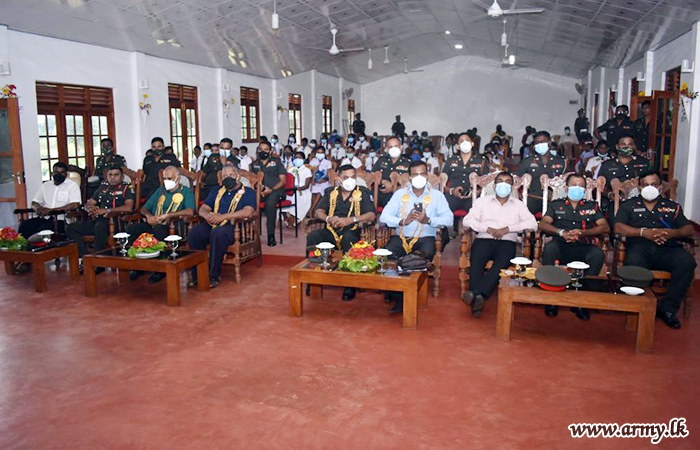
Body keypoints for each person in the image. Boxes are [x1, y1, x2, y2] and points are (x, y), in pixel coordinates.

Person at [614, 170, 696, 329]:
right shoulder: (629, 205)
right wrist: (644, 233)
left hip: (668, 247)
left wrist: (674, 233)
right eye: (645, 185)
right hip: (639, 247)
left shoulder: (672, 207)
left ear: (660, 187)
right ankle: (638, 305)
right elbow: (618, 227)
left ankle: (667, 309)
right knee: (634, 263)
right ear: (639, 187)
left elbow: (688, 229)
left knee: (687, 262)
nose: (649, 187)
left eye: (654, 184)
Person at [379, 160, 454, 313]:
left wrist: (429, 220)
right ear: (409, 177)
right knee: (387, 255)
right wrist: (403, 221)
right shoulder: (400, 194)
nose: (419, 177)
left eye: (422, 174)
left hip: (426, 239)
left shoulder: (437, 196)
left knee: (415, 259)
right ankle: (395, 292)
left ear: (427, 176)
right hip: (401, 237)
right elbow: (384, 217)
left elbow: (449, 220)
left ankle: (401, 298)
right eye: (415, 174)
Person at [462, 171, 537, 317]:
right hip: (484, 237)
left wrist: (508, 229)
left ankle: (475, 294)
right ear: (494, 186)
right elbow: (467, 220)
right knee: (477, 260)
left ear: (512, 187)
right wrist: (487, 229)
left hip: (507, 241)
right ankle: (479, 296)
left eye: (508, 182)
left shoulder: (518, 205)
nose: (504, 185)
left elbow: (532, 224)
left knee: (501, 264)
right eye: (500, 181)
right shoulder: (482, 202)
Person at [538, 173, 609, 320]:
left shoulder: (592, 206)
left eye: (581, 186)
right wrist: (561, 232)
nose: (577, 188)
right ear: (566, 188)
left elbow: (605, 227)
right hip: (561, 245)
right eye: (574, 185)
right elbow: (543, 224)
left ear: (585, 189)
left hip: (583, 246)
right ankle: (551, 299)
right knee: (550, 249)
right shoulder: (555, 205)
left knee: (597, 254)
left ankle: (582, 301)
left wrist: (584, 232)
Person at [307, 164, 376, 300]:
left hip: (352, 230)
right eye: (346, 177)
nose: (350, 180)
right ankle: (313, 279)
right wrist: (329, 218)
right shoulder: (331, 192)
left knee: (349, 239)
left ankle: (349, 284)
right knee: (313, 236)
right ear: (339, 179)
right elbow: (318, 211)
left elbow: (371, 215)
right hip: (331, 230)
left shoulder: (362, 192)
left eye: (353, 177)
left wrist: (351, 220)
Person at [187, 164, 256, 288]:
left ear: (238, 176)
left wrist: (223, 217)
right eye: (225, 176)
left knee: (218, 233)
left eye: (231, 175)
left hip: (234, 227)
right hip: (213, 223)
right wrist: (208, 216)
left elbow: (248, 212)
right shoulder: (216, 190)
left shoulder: (248, 192)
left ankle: (213, 275)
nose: (228, 178)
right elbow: (203, 208)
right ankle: (198, 275)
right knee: (195, 233)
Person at [126, 165, 195, 283]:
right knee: (132, 228)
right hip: (154, 222)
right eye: (164, 178)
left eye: (169, 178)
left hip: (173, 226)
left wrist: (168, 215)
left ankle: (159, 269)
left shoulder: (186, 192)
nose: (166, 181)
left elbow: (190, 211)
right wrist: (149, 216)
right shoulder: (160, 190)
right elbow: (144, 208)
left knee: (159, 229)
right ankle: (137, 267)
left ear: (177, 178)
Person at [66, 166, 135, 268]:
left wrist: (107, 210)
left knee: (100, 226)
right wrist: (91, 209)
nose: (113, 177)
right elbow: (89, 203)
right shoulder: (103, 188)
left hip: (116, 222)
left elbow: (129, 207)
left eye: (116, 175)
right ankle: (84, 257)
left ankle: (97, 262)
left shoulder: (127, 188)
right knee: (71, 227)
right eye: (110, 175)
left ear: (122, 177)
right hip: (97, 220)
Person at [19, 162, 82, 239]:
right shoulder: (45, 185)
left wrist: (52, 210)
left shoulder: (72, 186)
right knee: (25, 226)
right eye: (56, 172)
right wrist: (38, 208)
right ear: (52, 173)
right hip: (44, 218)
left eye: (62, 172)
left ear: (66, 174)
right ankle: (23, 246)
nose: (58, 174)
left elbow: (75, 204)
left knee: (43, 229)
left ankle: (39, 246)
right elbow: (34, 202)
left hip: (61, 220)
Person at [443, 133, 488, 233]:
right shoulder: (451, 161)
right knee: (442, 208)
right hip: (453, 195)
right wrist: (452, 191)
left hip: (473, 197)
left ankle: (473, 236)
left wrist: (476, 191)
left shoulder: (481, 161)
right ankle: (446, 235)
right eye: (461, 141)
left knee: (477, 212)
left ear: (472, 144)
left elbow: (485, 182)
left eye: (467, 140)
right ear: (458, 146)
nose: (465, 143)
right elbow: (442, 182)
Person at [516, 130, 567, 215]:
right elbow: (517, 179)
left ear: (549, 143)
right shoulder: (527, 161)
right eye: (537, 143)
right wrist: (519, 193)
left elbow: (567, 181)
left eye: (542, 142)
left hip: (554, 198)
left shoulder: (561, 162)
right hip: (533, 198)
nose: (539, 144)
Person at [250, 141, 286, 247]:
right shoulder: (254, 164)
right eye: (261, 149)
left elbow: (283, 181)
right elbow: (251, 179)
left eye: (266, 149)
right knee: (248, 202)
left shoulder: (277, 162)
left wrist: (271, 189)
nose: (263, 151)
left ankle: (271, 235)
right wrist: (259, 189)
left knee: (270, 205)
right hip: (260, 191)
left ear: (270, 151)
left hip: (276, 191)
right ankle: (251, 233)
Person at [373, 136, 411, 207]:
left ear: (401, 147)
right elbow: (373, 175)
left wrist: (393, 187)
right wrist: (383, 181)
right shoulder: (381, 160)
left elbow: (409, 182)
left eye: (396, 146)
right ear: (386, 149)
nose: (393, 149)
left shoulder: (407, 163)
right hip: (379, 192)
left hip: (398, 194)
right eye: (391, 147)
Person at [283, 151, 313, 225]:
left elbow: (306, 185)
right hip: (290, 190)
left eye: (299, 158)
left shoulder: (307, 170)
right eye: (295, 158)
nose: (297, 159)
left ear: (303, 159)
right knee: (283, 198)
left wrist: (297, 189)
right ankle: (287, 218)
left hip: (302, 190)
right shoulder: (291, 169)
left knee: (298, 198)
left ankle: (296, 218)